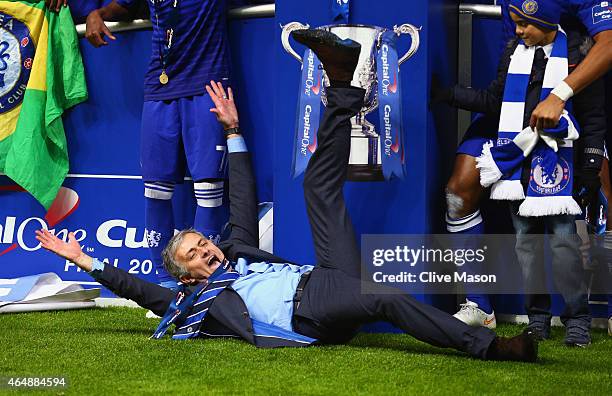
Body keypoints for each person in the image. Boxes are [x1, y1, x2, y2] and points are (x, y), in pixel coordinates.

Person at [36, 30, 538, 362]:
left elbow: (240, 202)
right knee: (383, 296)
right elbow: (139, 291)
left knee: (318, 188)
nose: (206, 248)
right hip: (309, 309)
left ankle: (341, 83)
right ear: (185, 273)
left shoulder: (235, 253)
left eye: (200, 242)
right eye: (194, 251)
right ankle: (492, 348)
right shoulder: (197, 300)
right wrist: (81, 258)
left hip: (321, 278)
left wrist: (233, 133)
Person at [434, 0, 606, 346]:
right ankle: (537, 316)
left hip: (560, 170)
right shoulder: (514, 52)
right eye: (514, 23)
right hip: (516, 165)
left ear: (544, 21)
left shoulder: (577, 53)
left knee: (564, 245)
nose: (517, 30)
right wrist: (449, 95)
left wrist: (588, 167)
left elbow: (593, 115)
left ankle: (578, 317)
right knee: (525, 246)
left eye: (524, 23)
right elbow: (495, 100)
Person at [84, 0, 232, 289]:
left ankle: (205, 287)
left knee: (208, 191)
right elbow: (126, 5)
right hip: (159, 88)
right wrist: (97, 13)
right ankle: (164, 285)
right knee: (155, 191)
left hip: (207, 85)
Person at [499, 0, 612, 131]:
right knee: (472, 148)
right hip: (511, 91)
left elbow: (608, 43)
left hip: (573, 98)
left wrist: (558, 96)